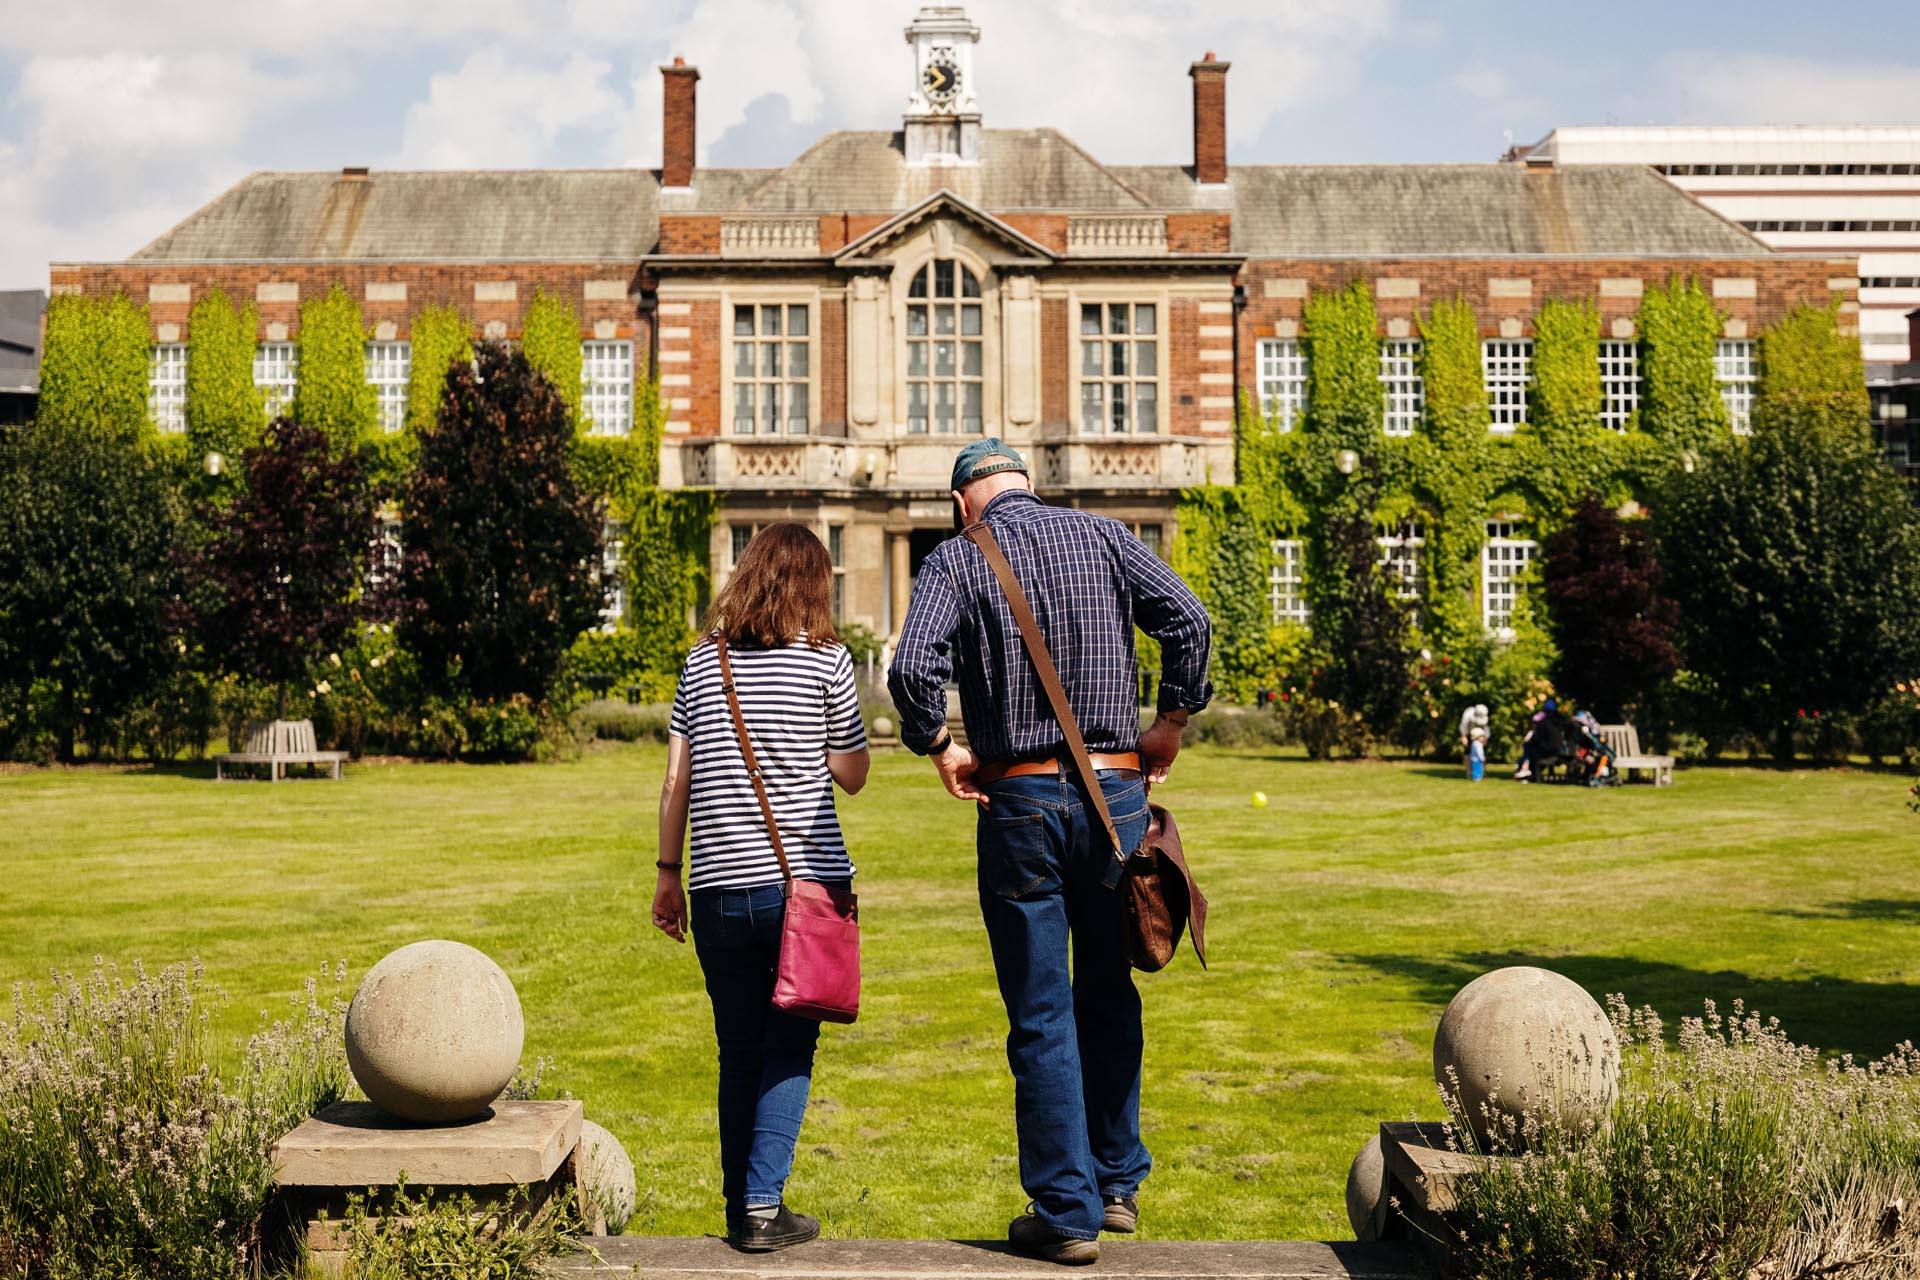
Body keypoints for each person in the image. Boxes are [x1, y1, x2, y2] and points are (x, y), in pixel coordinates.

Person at [887, 439, 1213, 1265]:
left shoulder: (957, 559)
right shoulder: (1104, 536)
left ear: (965, 502)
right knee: (1107, 989)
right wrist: (1169, 723)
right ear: (1031, 485)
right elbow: (1191, 620)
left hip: (1020, 799)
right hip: (1117, 795)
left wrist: (940, 747)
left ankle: (1066, 1216)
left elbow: (911, 670)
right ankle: (1115, 1184)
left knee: (1039, 1010)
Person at [653, 523, 871, 1252]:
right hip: (799, 888)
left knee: (737, 1049)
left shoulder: (701, 661)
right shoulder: (828, 663)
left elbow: (675, 780)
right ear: (815, 585)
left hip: (714, 885)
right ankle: (760, 1206)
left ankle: (738, 1206)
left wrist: (666, 874)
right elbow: (852, 773)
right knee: (789, 1048)